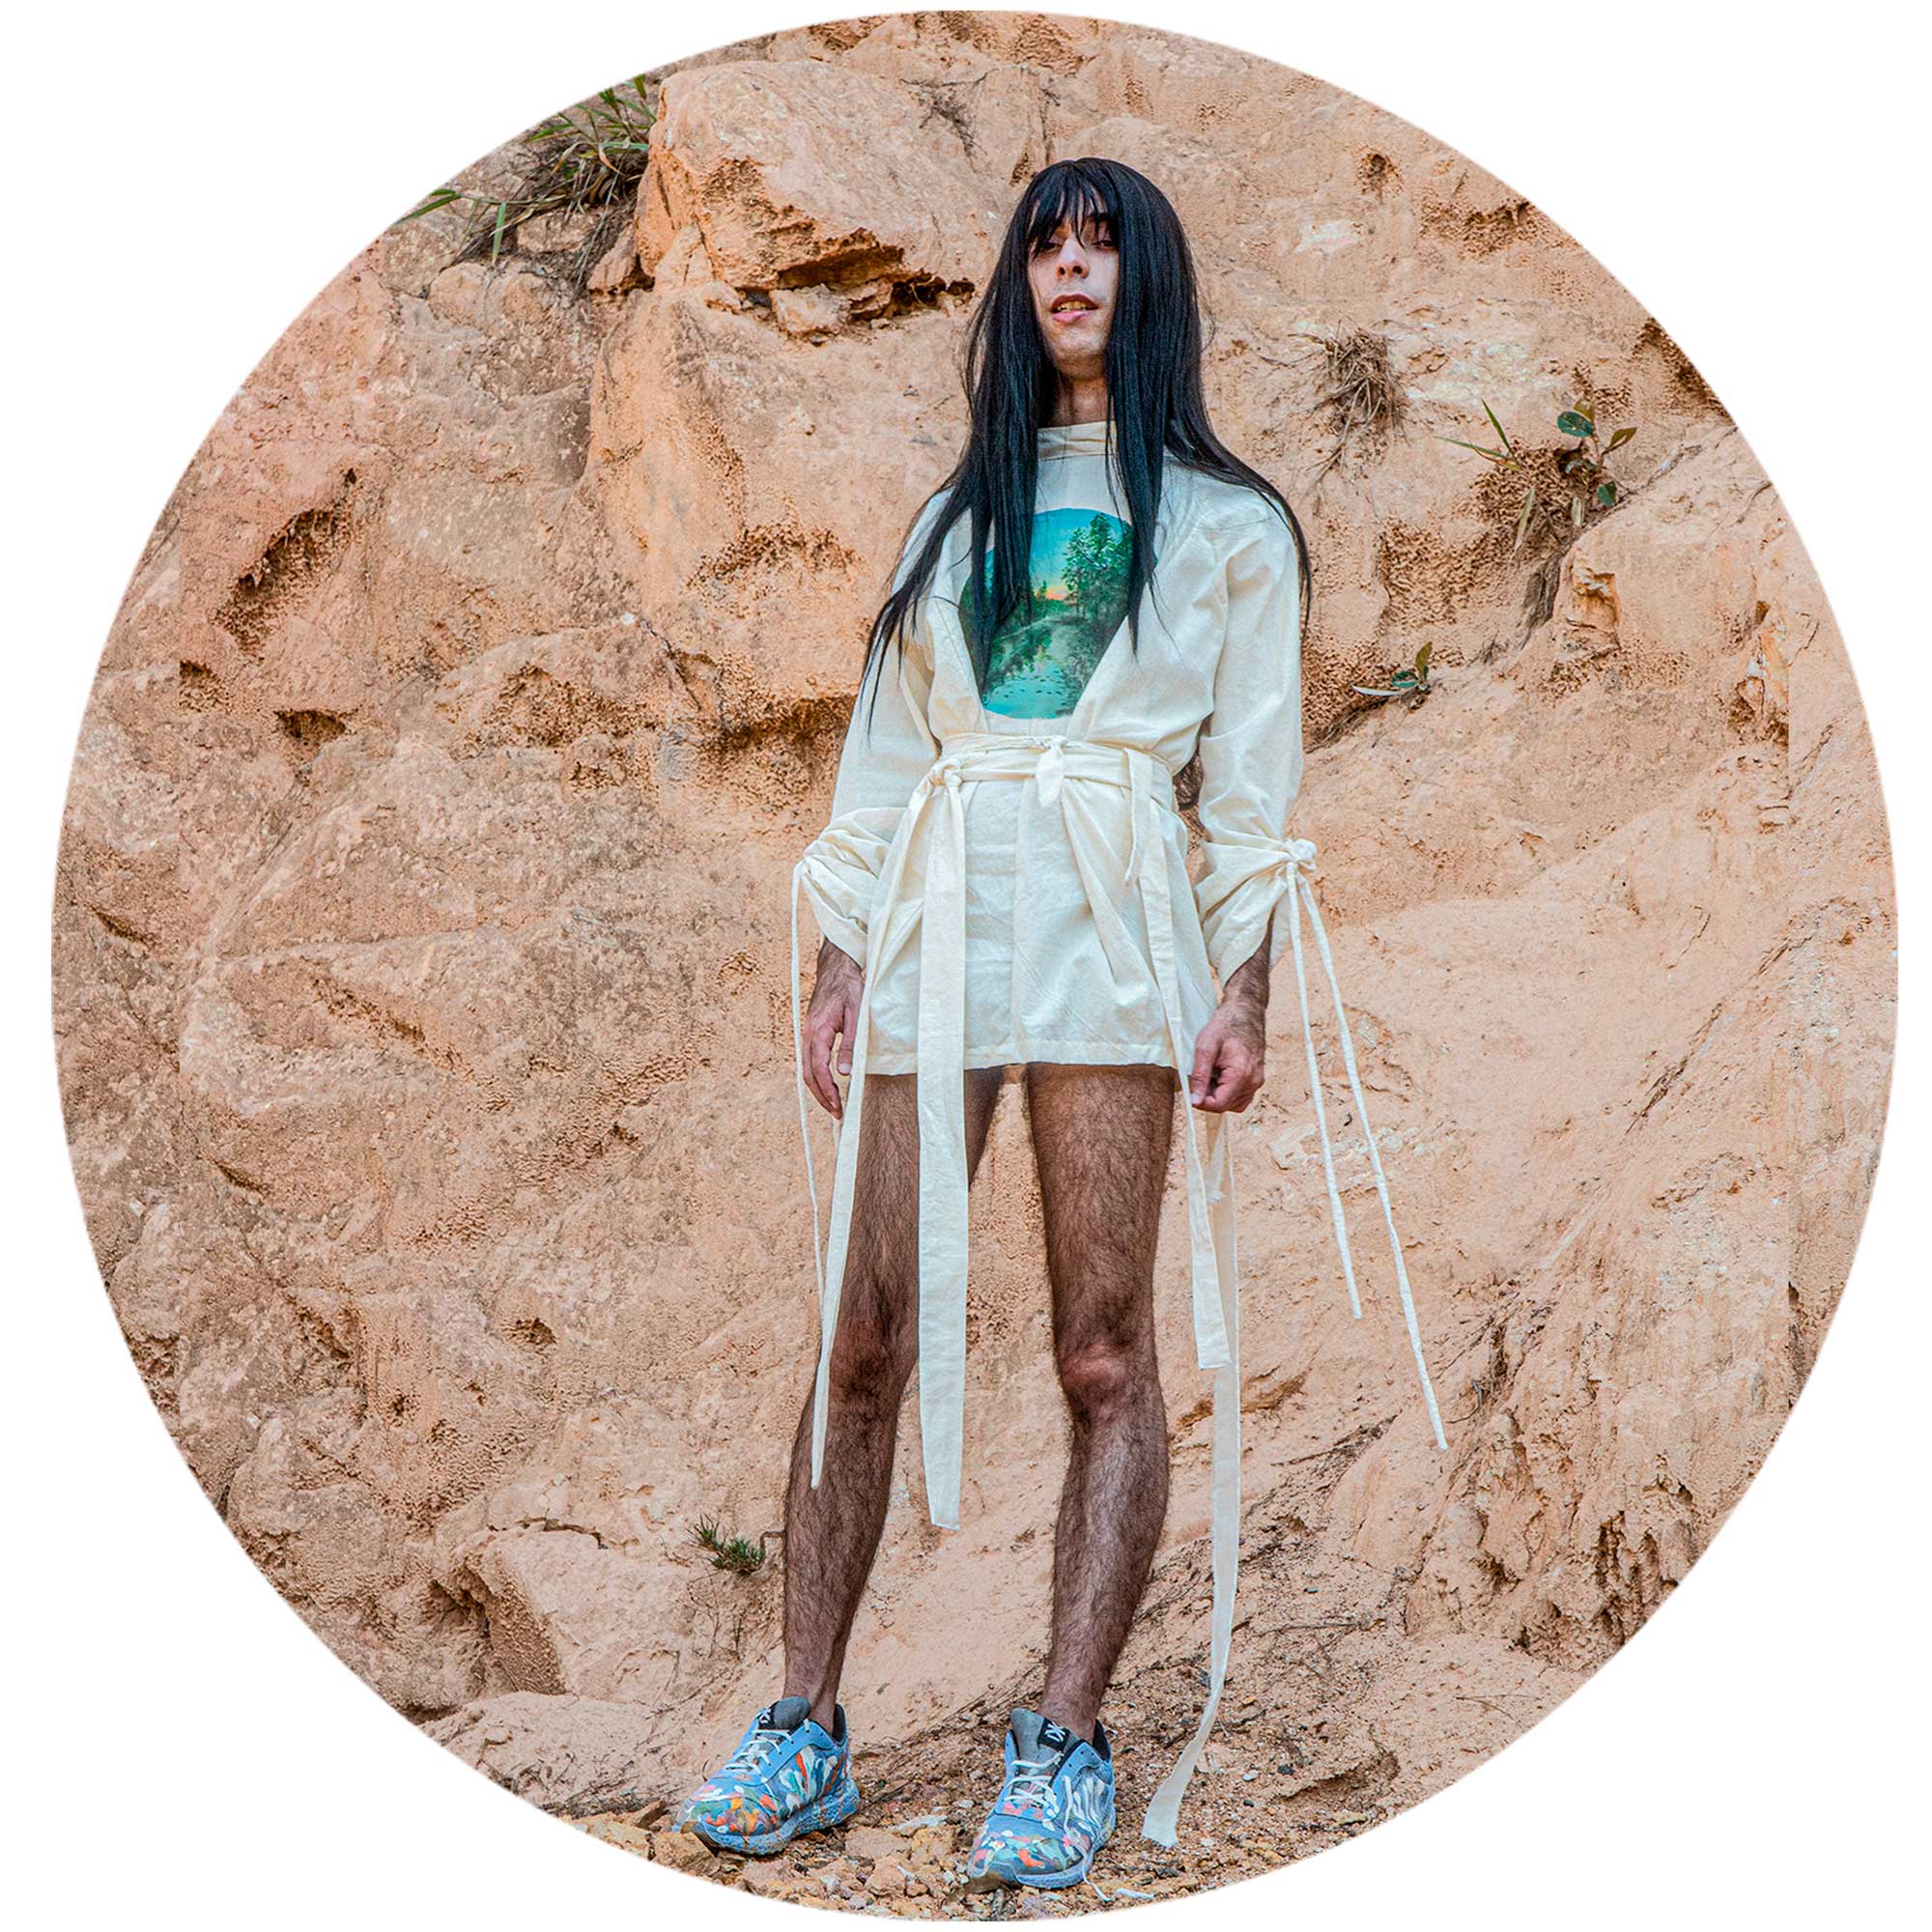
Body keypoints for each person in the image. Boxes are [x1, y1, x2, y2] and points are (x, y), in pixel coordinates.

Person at [675, 156, 1445, 1893]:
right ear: (1019, 284)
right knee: (861, 1332)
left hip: (1113, 923)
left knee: (1104, 1349)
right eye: (1045, 247)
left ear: (1147, 281)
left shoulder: (1232, 528)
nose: (1070, 273)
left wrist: (1239, 983)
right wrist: (840, 959)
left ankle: (1064, 1740)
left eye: (1101, 247)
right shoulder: (956, 522)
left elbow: (1249, 793)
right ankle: (803, 1723)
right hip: (940, 916)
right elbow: (886, 762)